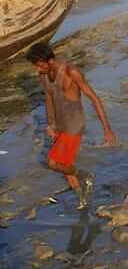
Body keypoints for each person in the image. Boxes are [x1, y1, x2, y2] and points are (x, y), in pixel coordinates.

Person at [26, 43, 116, 209]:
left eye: (39, 65)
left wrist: (107, 128)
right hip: (59, 124)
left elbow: (94, 99)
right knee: (65, 164)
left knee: (53, 163)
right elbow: (49, 99)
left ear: (49, 60)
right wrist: (51, 124)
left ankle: (86, 175)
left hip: (74, 123)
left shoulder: (70, 72)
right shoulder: (44, 75)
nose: (37, 69)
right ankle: (82, 198)